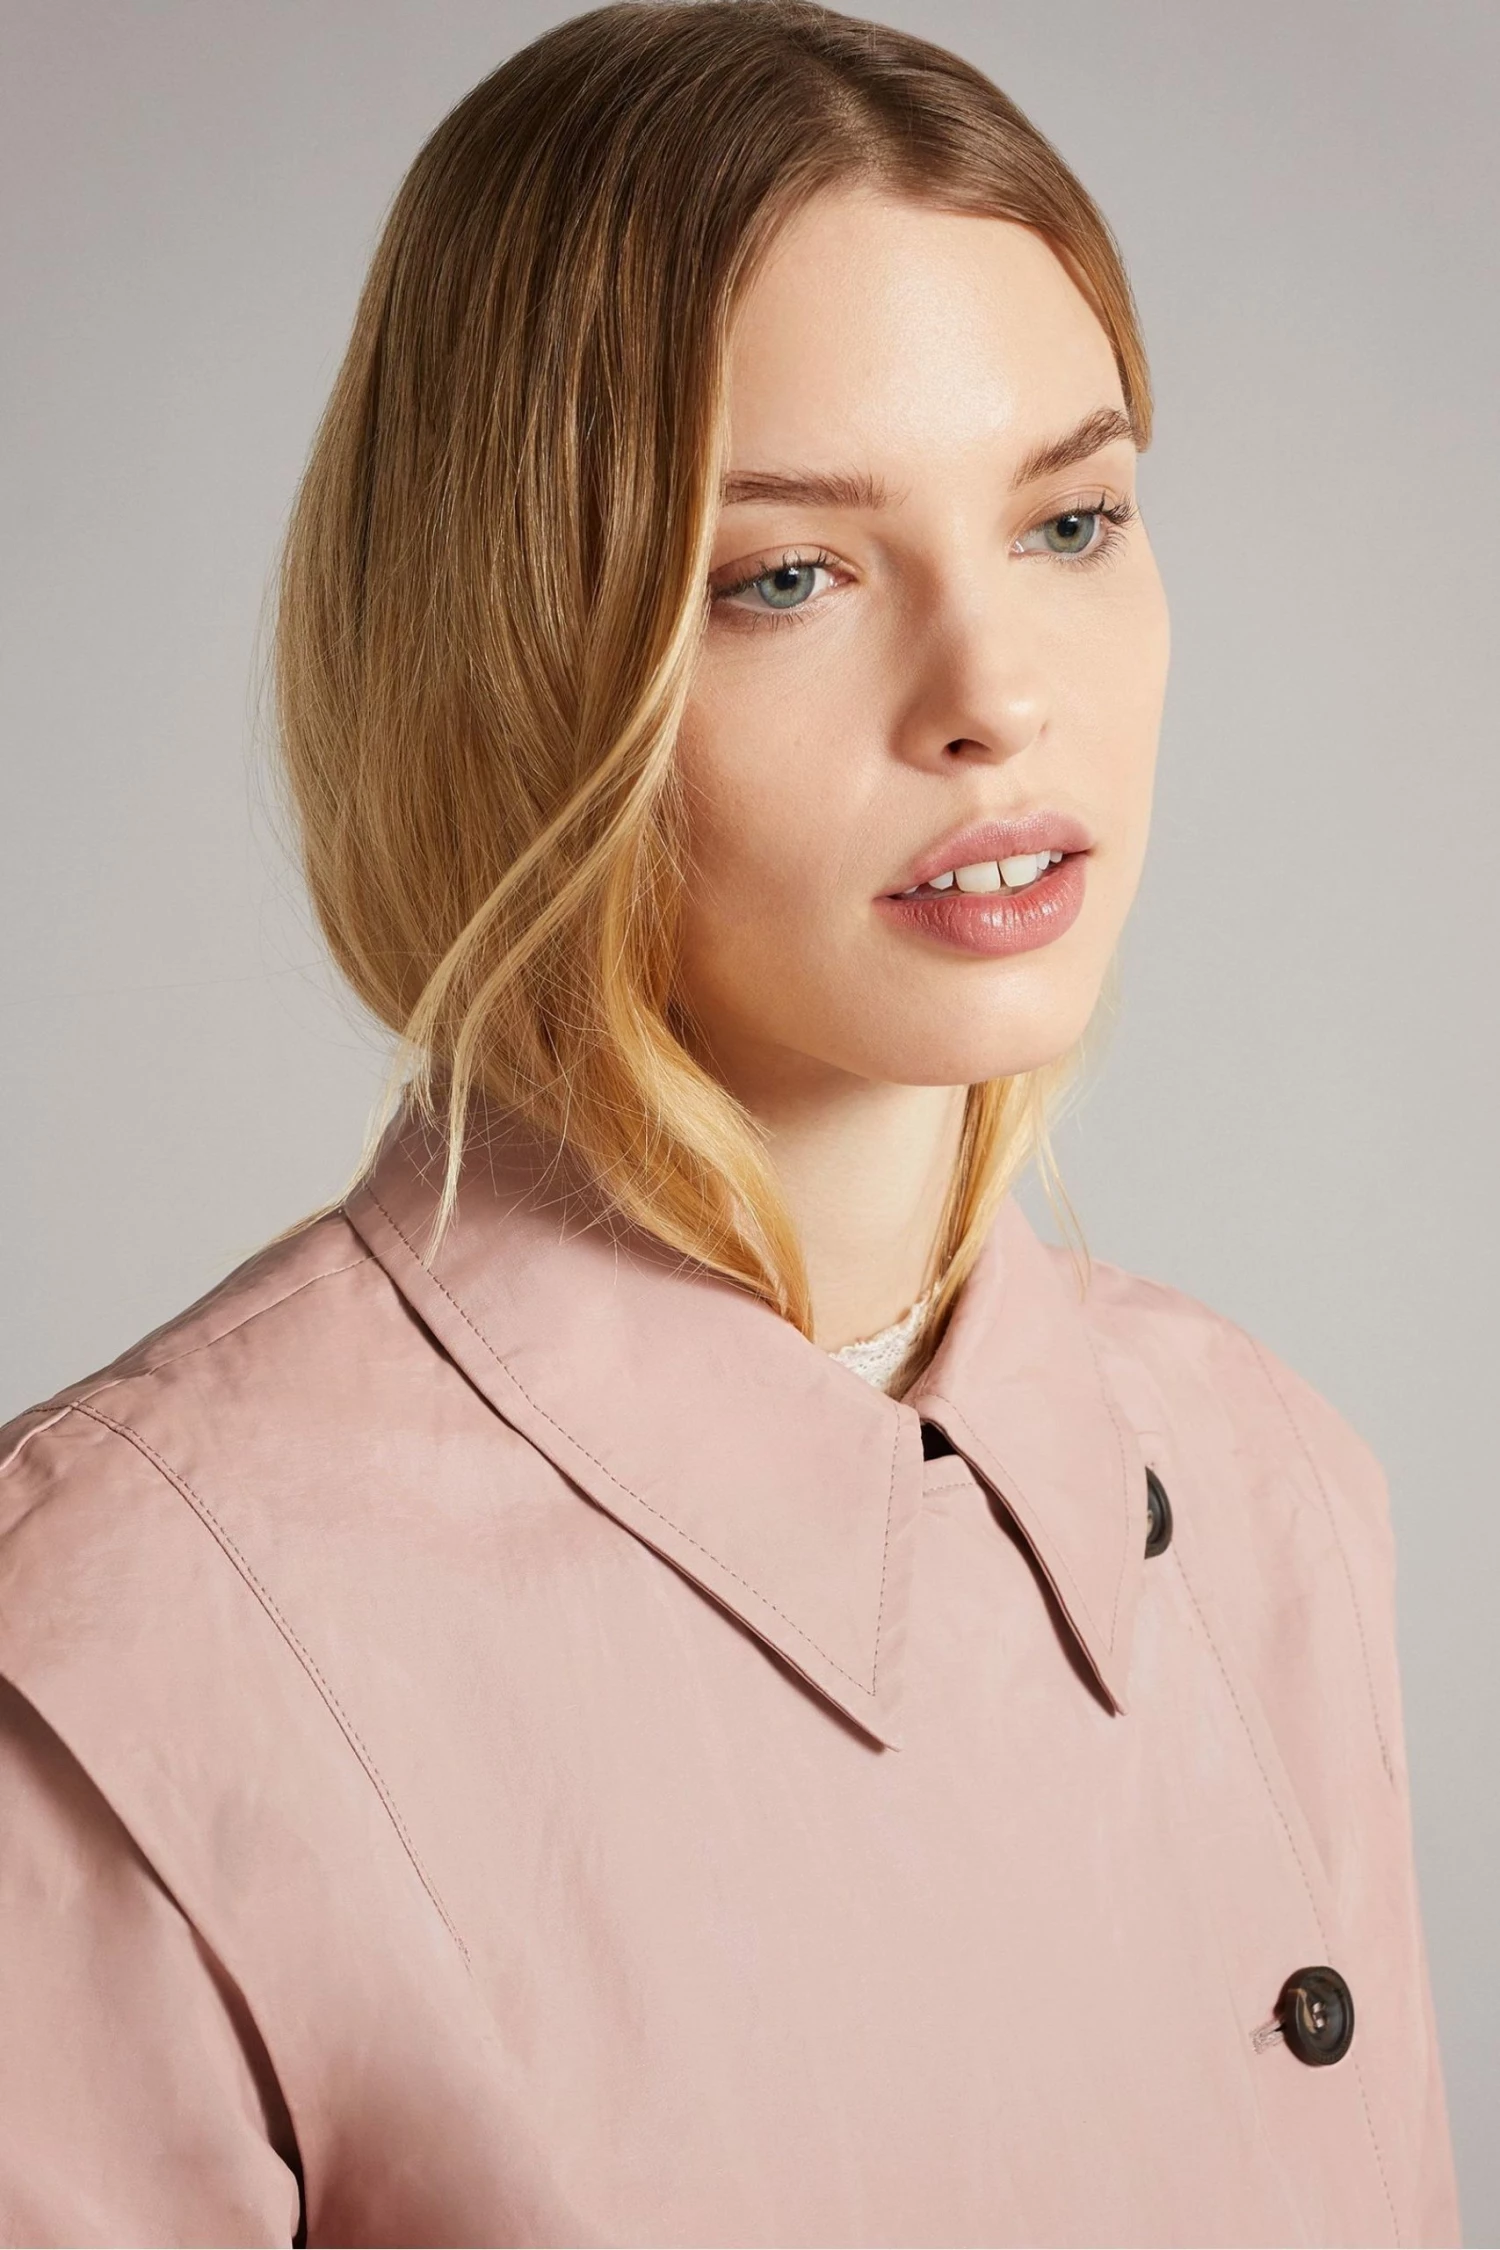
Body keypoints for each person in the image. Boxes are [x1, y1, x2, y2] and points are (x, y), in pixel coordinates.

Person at [0, 3, 1461, 2244]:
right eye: (786, 574)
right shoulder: (128, 1651)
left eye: (1071, 520)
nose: (996, 694)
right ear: (513, 655)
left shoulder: (1271, 1489)